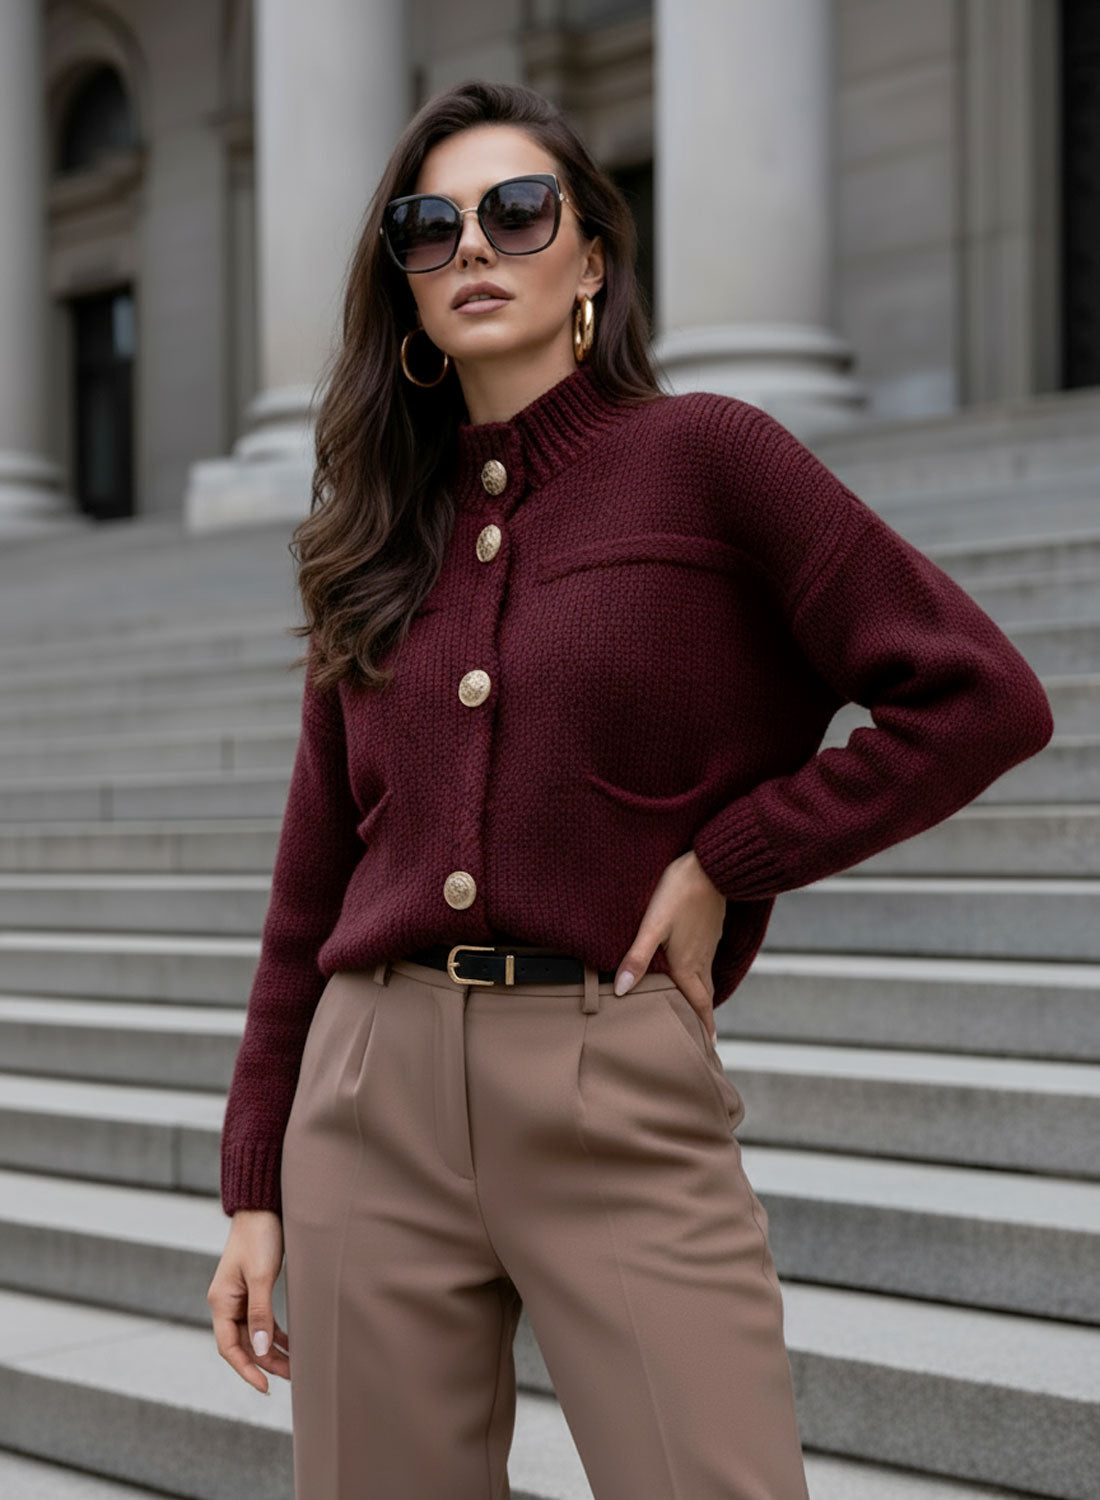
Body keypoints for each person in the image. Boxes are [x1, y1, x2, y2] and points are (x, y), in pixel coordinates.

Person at [206, 80, 1054, 1499]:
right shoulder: (373, 533)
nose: (473, 247)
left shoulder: (708, 460)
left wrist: (739, 854)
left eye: (515, 211)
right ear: (404, 286)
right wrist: (252, 1180)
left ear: (591, 255)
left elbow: (980, 695)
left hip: (610, 1070)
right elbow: (311, 885)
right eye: (430, 228)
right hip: (367, 1095)